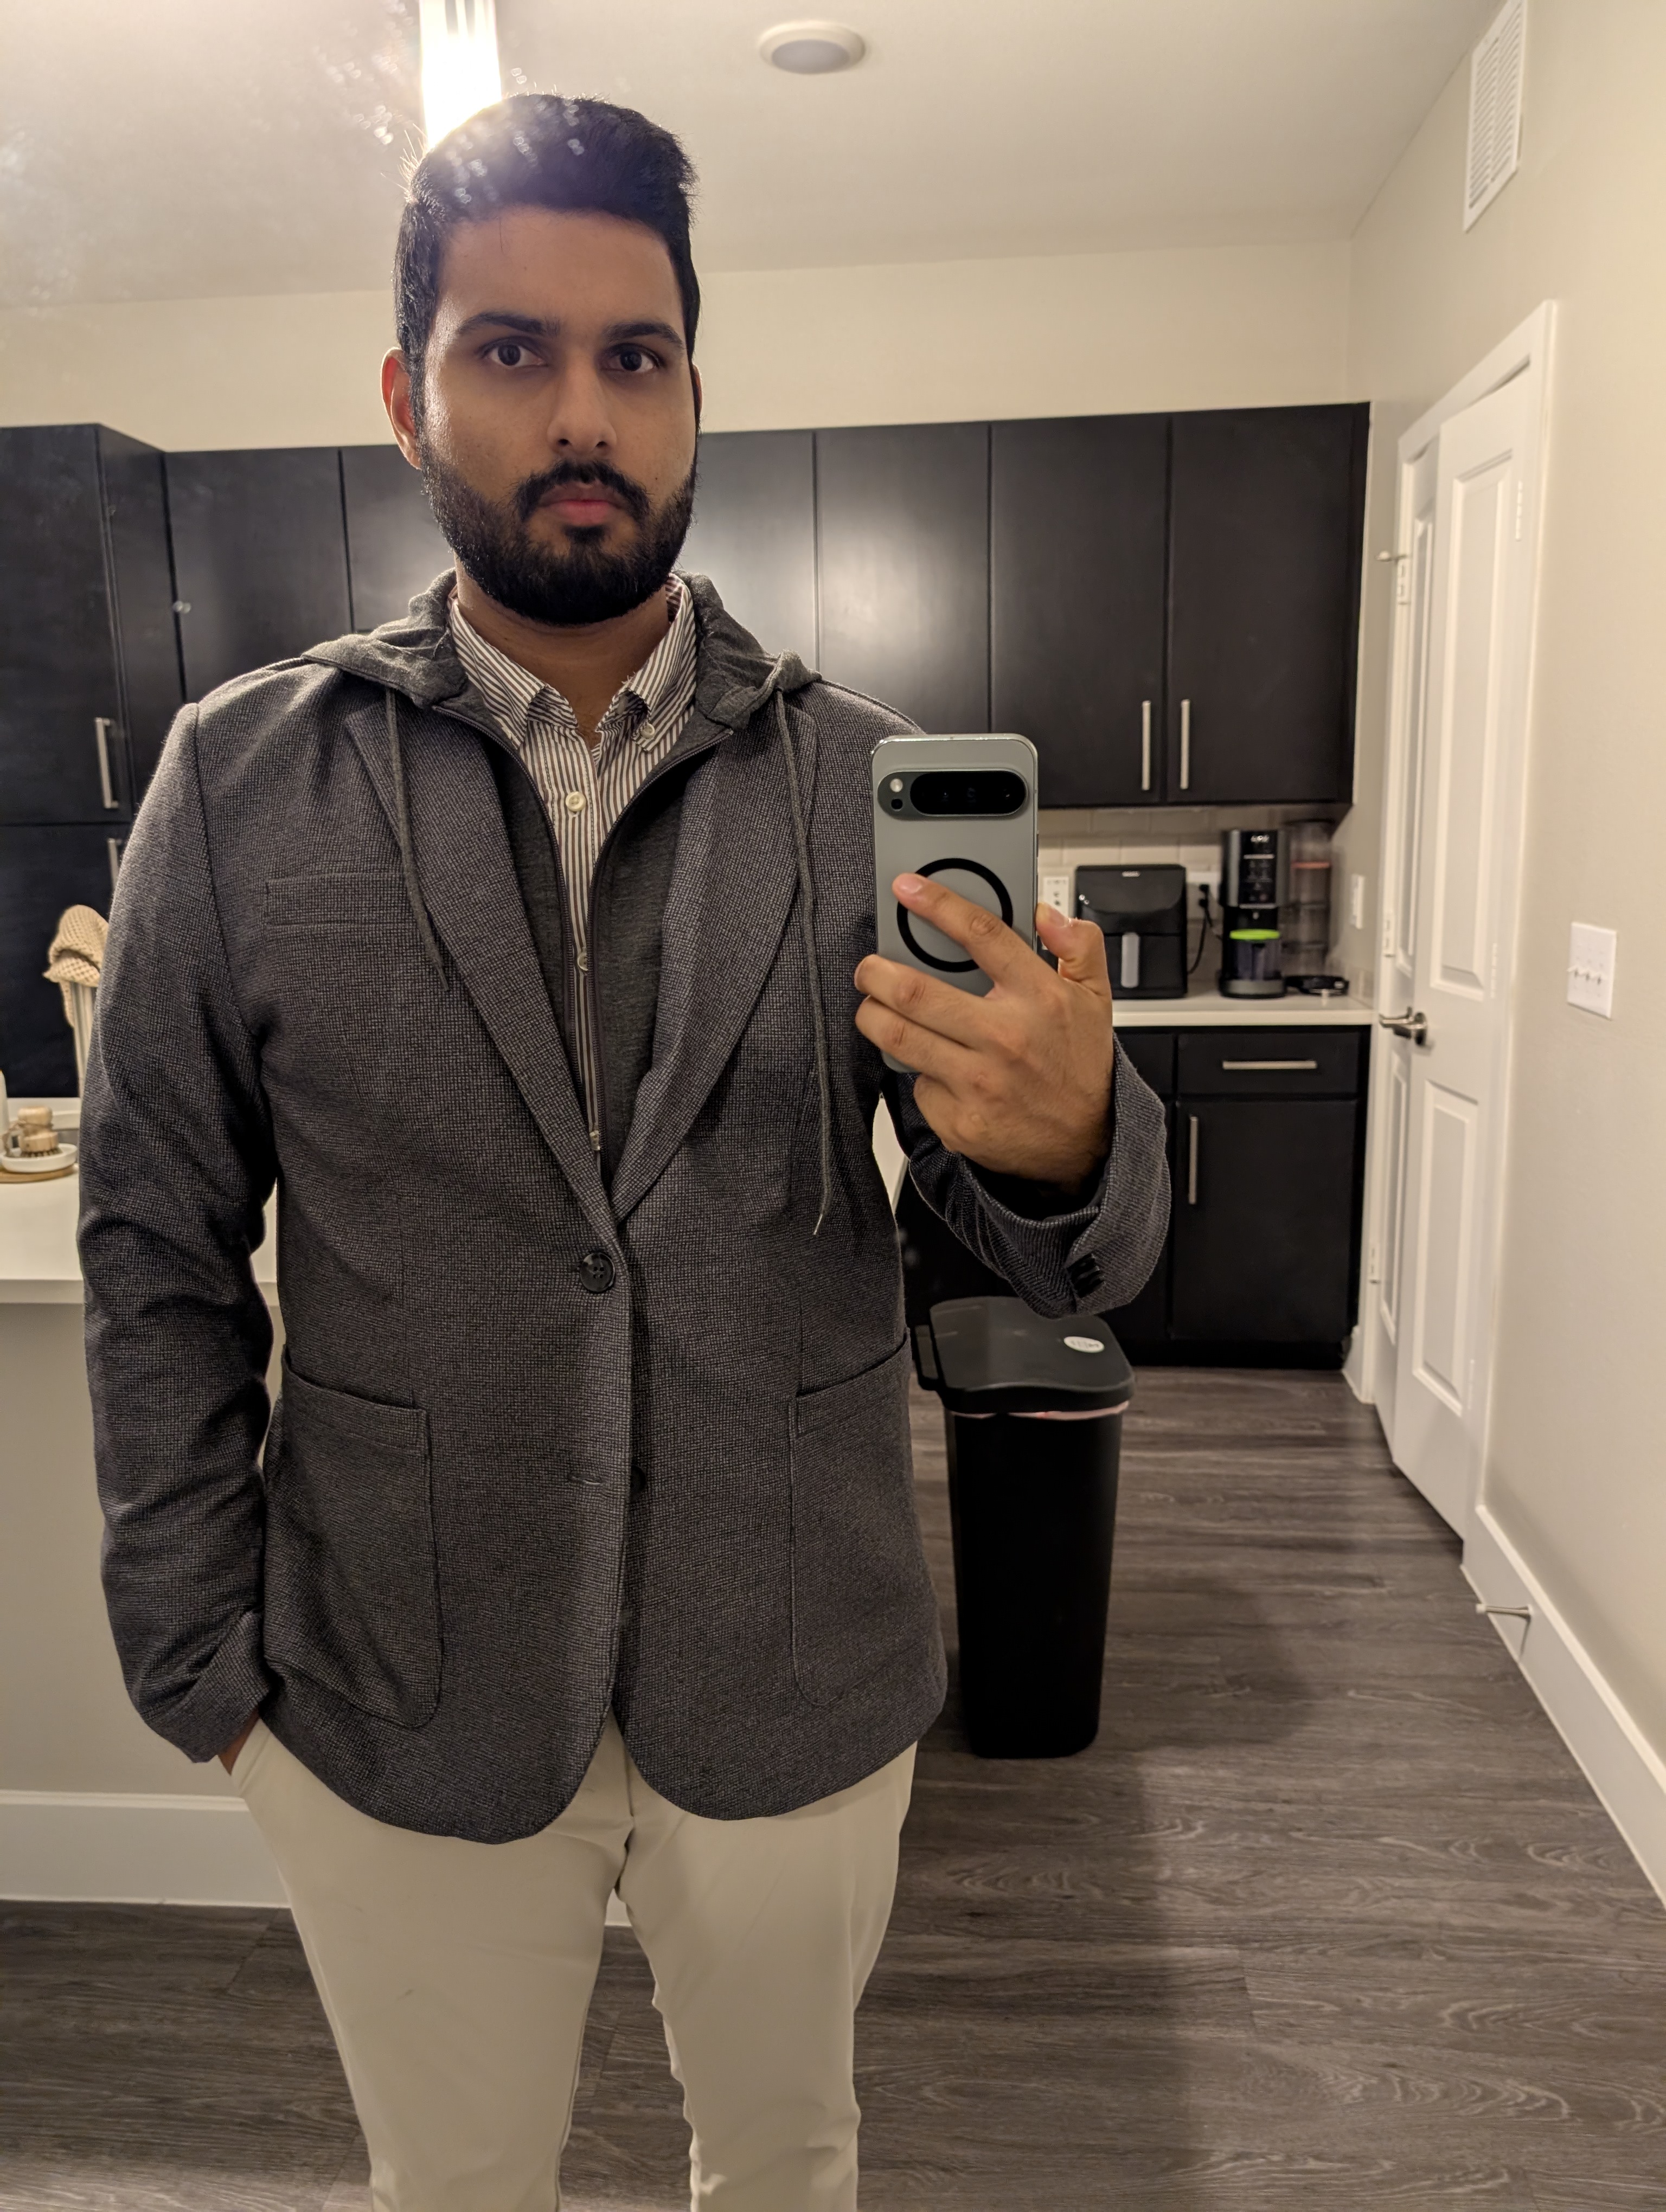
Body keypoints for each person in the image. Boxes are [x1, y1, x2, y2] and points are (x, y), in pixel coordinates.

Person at [80, 93, 1168, 2212]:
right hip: (390, 1688)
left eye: (635, 355)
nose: (582, 412)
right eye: (512, 351)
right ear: (408, 396)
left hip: (795, 1664)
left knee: (789, 2165)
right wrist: (202, 1661)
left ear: (691, 393)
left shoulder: (860, 783)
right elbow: (155, 1247)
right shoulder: (239, 783)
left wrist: (1065, 1150)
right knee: (455, 2184)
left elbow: (1050, 1255)